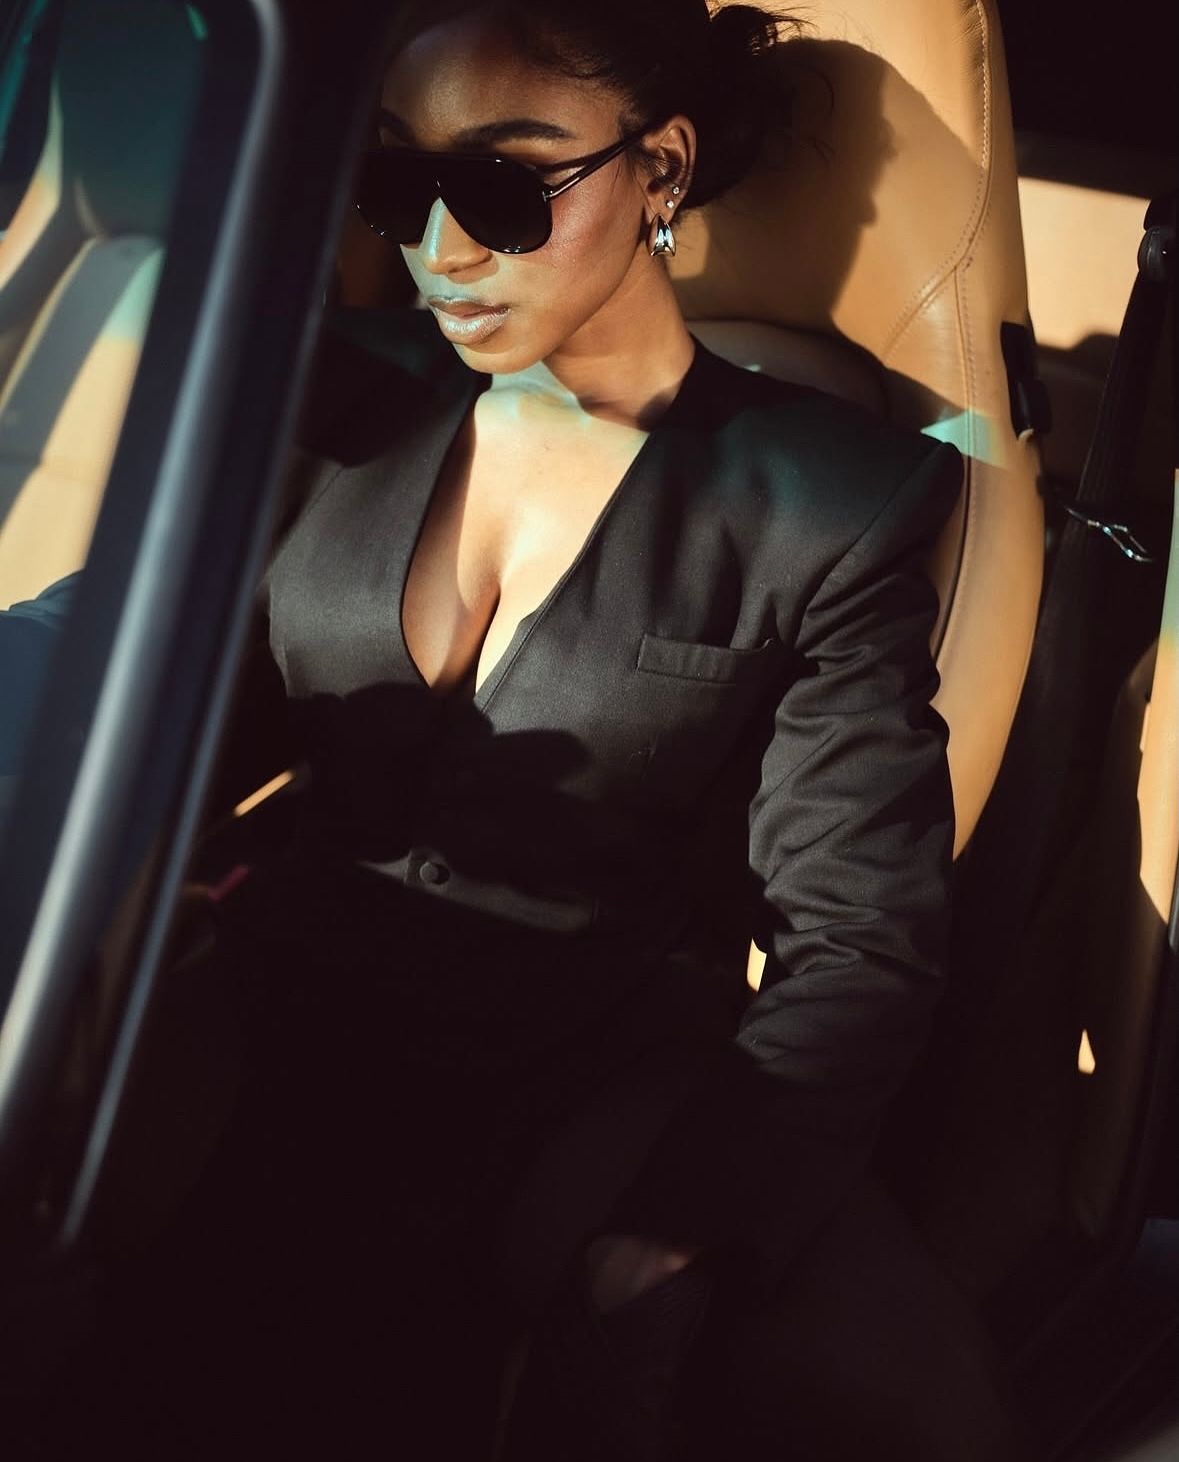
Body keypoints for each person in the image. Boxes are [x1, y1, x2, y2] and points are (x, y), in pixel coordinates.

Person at [54, 3, 1029, 1459]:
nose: (442, 249)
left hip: (577, 1064)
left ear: (661, 170)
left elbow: (857, 935)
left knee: (905, 1391)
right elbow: (126, 670)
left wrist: (681, 1223)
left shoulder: (824, 502)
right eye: (400, 185)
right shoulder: (331, 388)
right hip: (270, 998)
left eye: (505, 191)